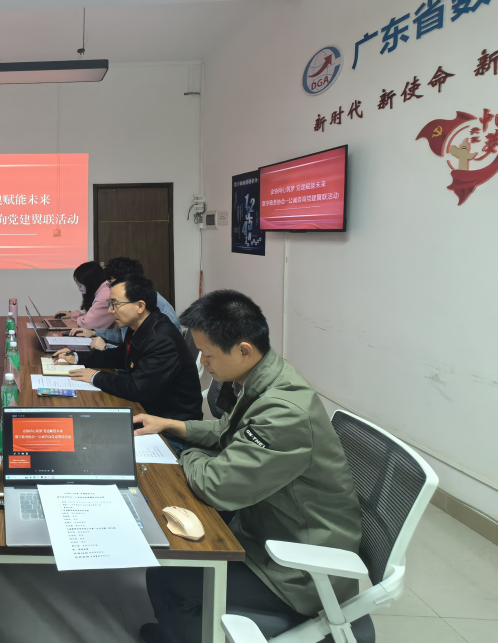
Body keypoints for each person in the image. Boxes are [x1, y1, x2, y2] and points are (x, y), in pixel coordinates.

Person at [133, 290, 363, 643]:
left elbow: (217, 487)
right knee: (173, 547)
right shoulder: (263, 377)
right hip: (262, 526)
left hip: (295, 568)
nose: (203, 362)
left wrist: (184, 452)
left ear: (243, 350)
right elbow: (226, 431)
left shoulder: (284, 411)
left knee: (168, 577)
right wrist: (171, 426)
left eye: (208, 355)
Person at [52, 275, 202, 423]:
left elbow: (138, 388)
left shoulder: (161, 338)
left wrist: (95, 376)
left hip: (170, 423)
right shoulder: (141, 326)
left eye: (115, 304)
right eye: (110, 304)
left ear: (140, 306)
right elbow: (118, 356)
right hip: (148, 410)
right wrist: (77, 357)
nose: (110, 310)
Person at [70, 257, 181, 350]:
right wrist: (94, 332)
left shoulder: (159, 316)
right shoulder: (133, 300)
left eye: (112, 282)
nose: (109, 287)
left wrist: (105, 347)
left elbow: (138, 355)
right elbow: (123, 335)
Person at [53, 260, 115, 329]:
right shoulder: (103, 290)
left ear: (90, 282)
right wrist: (75, 315)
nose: (78, 287)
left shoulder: (104, 296)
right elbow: (95, 317)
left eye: (80, 284)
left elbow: (89, 324)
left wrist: (78, 319)